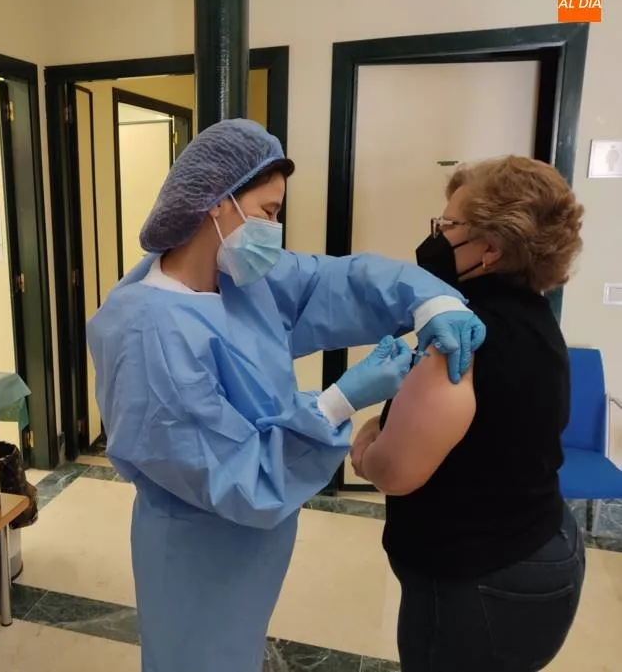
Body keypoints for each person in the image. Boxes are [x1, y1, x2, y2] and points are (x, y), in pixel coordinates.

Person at [87, 118, 487, 672]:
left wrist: (429, 301)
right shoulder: (148, 330)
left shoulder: (242, 282)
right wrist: (340, 400)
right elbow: (232, 474)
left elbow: (334, 281)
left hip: (254, 543)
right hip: (199, 551)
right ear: (217, 202)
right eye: (268, 211)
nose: (274, 230)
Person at [350, 156, 586, 672]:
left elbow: (396, 471)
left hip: (480, 580)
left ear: (491, 248)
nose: (435, 238)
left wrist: (366, 444)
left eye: (448, 226)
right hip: (543, 539)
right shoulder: (533, 315)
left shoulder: (463, 335)